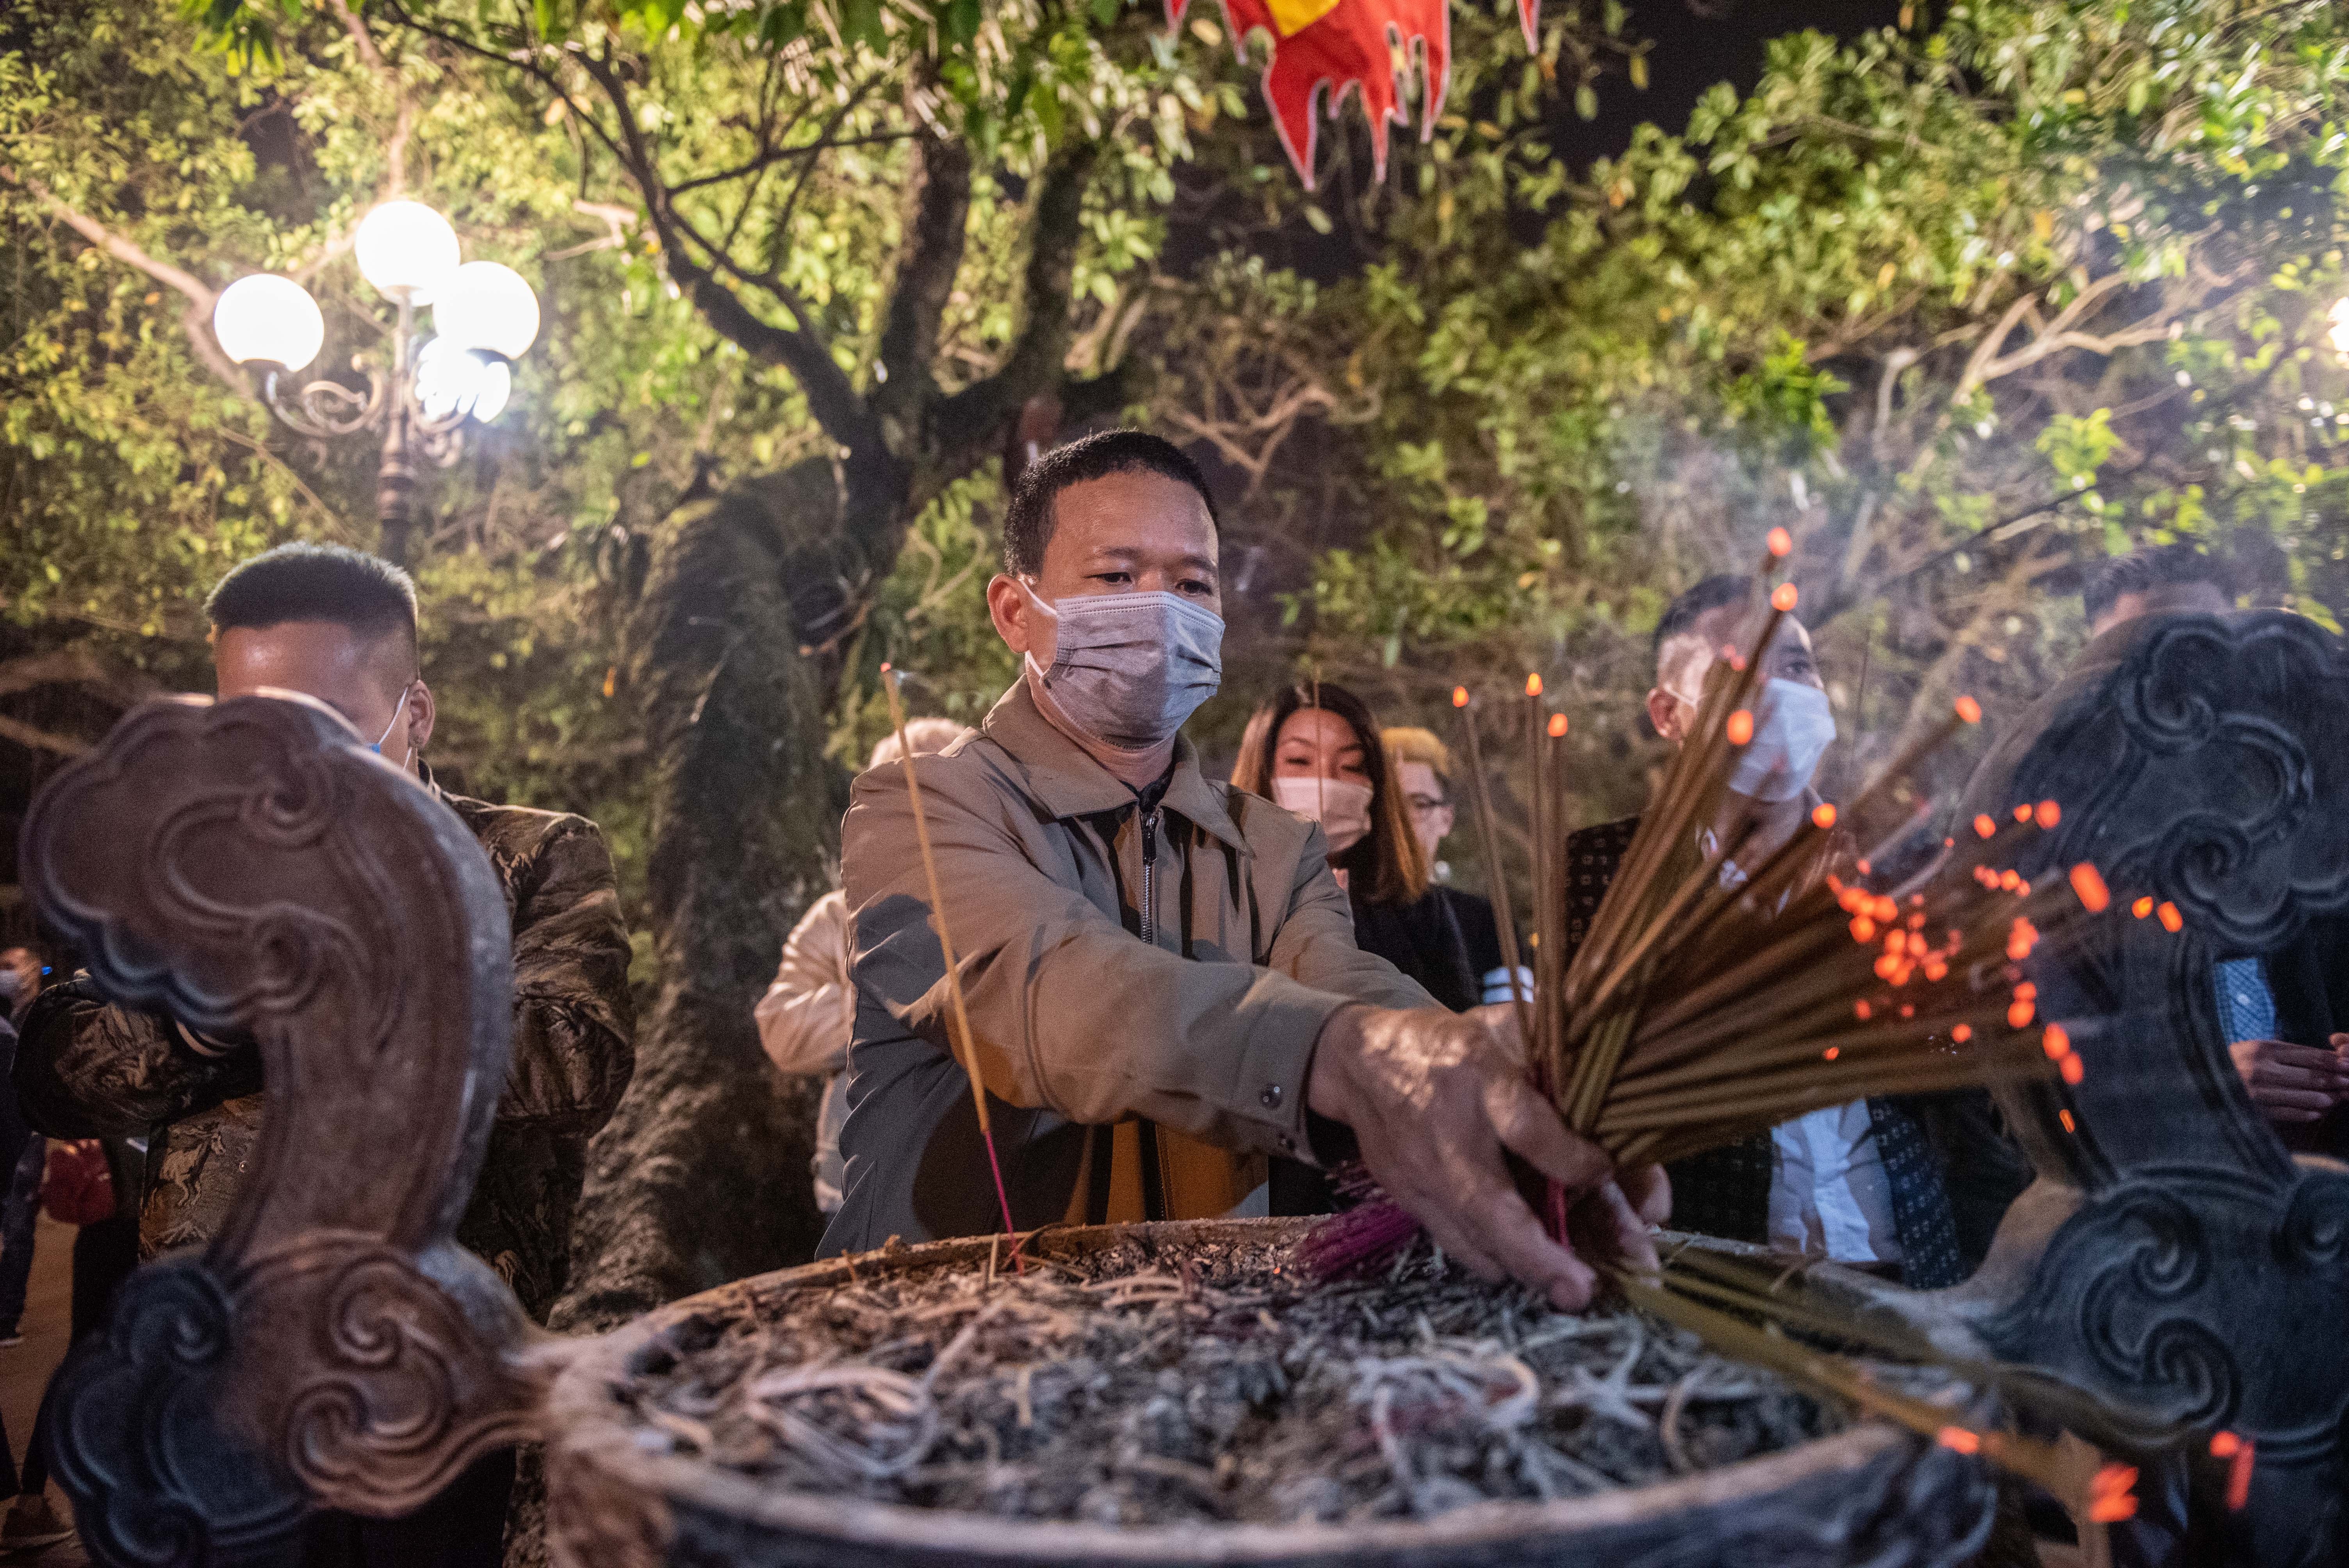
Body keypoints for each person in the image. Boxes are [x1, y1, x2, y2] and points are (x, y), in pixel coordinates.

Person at [820, 430, 1666, 1308]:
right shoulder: (918, 810)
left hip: (1200, 1333)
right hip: (944, 1332)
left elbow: (1352, 992)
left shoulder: (1271, 846)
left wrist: (1489, 1082)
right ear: (1014, 610)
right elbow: (1053, 988)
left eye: (1191, 584)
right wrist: (1337, 1053)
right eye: (1115, 577)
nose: (1160, 609)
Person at [14, 542, 636, 1568]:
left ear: (416, 716)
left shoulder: (529, 855)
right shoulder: (194, 876)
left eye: (327, 734)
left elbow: (573, 1059)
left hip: (437, 1378)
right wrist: (192, 1026)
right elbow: (55, 1068)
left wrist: (315, 985)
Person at [1558, 574, 1964, 1288]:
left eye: (1798, 668)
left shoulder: (1898, 868)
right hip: (1712, 1272)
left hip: (1907, 1268)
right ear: (1669, 713)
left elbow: (1960, 1088)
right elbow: (1592, 1084)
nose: (1779, 692)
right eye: (1739, 671)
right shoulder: (1606, 871)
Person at [756, 718, 973, 1218]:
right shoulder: (836, 916)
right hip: (859, 1191)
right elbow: (780, 1027)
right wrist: (882, 1000)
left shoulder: (998, 906)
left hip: (988, 1180)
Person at [1383, 726, 1529, 1006]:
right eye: (1387, 805)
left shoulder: (1488, 922)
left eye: (1418, 804)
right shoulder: (1339, 910)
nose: (1399, 819)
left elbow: (1513, 1031)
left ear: (1446, 819)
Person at [0, 948, 46, 1352]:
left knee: (16, 1228)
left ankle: (7, 1317)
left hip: (26, 1136)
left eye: (12, 967)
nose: (6, 974)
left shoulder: (42, 1015)